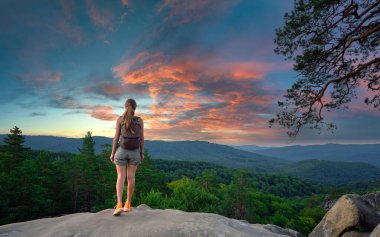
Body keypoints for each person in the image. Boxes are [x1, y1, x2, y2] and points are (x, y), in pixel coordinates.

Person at [110, 98, 144, 216]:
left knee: (120, 177)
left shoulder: (120, 119)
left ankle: (119, 204)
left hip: (122, 151)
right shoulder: (140, 121)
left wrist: (113, 153)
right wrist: (141, 153)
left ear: (125, 107)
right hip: (135, 152)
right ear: (135, 108)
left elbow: (116, 138)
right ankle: (128, 204)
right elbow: (142, 138)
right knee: (131, 177)